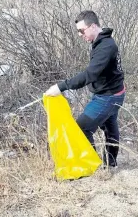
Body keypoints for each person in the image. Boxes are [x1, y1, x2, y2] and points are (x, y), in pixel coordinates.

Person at [45, 10, 125, 168]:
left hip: (107, 97)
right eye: (78, 31)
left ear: (93, 26)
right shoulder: (102, 42)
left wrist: (61, 87)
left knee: (81, 128)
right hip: (115, 93)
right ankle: (110, 164)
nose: (80, 35)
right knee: (110, 129)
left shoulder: (105, 47)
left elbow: (90, 74)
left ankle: (92, 164)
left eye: (82, 31)